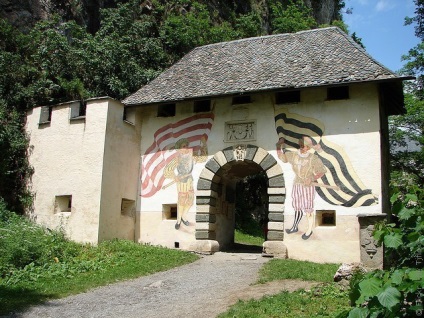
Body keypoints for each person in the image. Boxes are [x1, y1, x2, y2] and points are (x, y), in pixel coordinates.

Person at [276, 136, 326, 239]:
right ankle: (295, 227)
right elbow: (282, 157)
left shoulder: (313, 158)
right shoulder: (294, 155)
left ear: (309, 148)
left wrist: (312, 177)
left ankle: (309, 230)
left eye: (306, 146)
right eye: (302, 145)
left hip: (307, 186)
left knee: (308, 207)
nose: (303, 148)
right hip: (297, 184)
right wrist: (278, 145)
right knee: (297, 206)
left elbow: (322, 171)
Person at [164, 136, 208, 229]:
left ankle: (184, 216)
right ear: (179, 148)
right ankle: (179, 220)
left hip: (189, 179)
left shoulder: (192, 155)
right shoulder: (177, 158)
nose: (186, 147)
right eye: (184, 146)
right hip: (182, 181)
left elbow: (203, 158)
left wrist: (204, 145)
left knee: (190, 199)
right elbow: (167, 170)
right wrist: (174, 177)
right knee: (182, 200)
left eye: (186, 146)